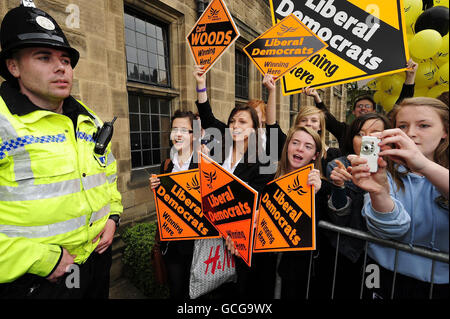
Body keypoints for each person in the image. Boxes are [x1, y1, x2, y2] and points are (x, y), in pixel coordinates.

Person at [0, 5, 122, 299]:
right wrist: (41, 260)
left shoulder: (88, 119)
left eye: (66, 60)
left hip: (93, 265)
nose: (61, 67)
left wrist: (113, 217)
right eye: (44, 57)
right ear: (13, 66)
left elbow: (107, 176)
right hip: (35, 283)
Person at [348, 97, 449, 299]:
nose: (411, 133)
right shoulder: (383, 169)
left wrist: (424, 166)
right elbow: (392, 228)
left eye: (424, 125)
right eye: (403, 126)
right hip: (379, 270)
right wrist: (380, 194)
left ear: (445, 131)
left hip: (438, 282)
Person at [193, 65, 276, 299]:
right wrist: (201, 83)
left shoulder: (262, 162)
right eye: (232, 121)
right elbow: (207, 116)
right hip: (212, 234)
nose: (235, 126)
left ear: (255, 129)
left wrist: (239, 236)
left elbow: (255, 202)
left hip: (240, 242)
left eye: (242, 122)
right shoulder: (219, 151)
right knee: (212, 292)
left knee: (240, 292)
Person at [325, 113, 391, 299]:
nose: (367, 140)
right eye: (361, 134)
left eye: (375, 133)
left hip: (381, 255)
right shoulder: (338, 165)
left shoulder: (396, 169)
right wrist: (339, 187)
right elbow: (340, 215)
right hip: (348, 251)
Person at [305, 59, 418, 151]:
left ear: (374, 111)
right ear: (353, 112)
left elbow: (400, 105)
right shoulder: (345, 130)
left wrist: (410, 77)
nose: (363, 108)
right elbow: (327, 119)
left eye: (367, 106)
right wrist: (317, 97)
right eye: (359, 106)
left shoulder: (384, 127)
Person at [149, 110, 199, 299]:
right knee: (176, 291)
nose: (178, 134)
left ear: (194, 135)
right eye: (174, 129)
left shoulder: (204, 163)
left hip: (197, 246)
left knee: (196, 295)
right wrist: (155, 187)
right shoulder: (166, 165)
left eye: (184, 130)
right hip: (171, 244)